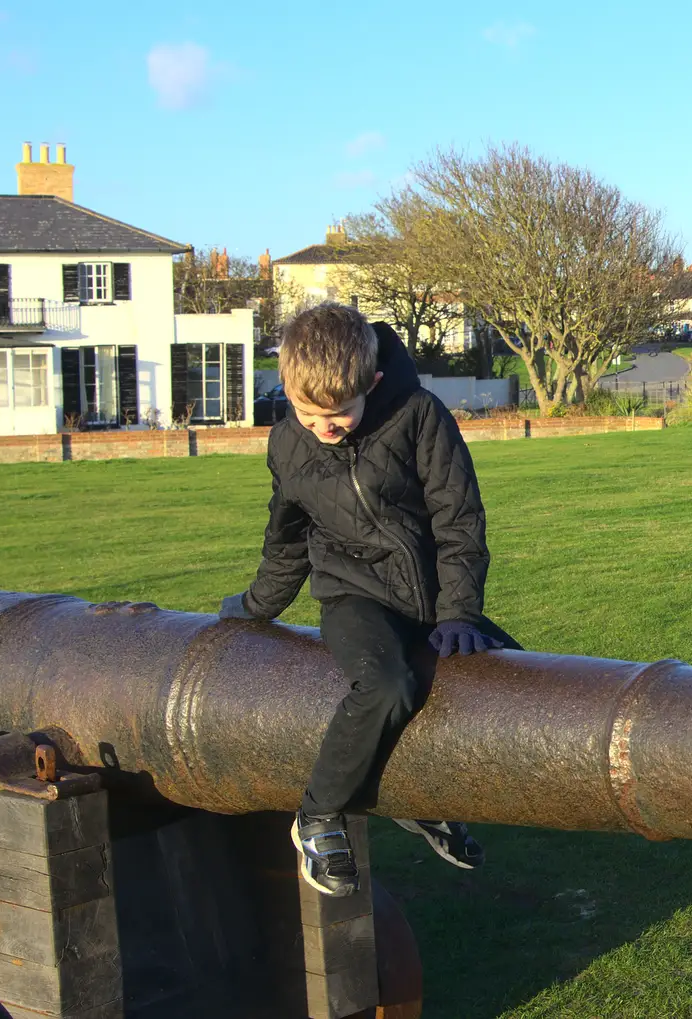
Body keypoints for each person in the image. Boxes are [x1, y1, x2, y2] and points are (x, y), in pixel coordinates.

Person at [219, 303, 520, 898]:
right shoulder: (287, 444)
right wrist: (255, 606)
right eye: (309, 414)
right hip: (352, 595)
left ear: (372, 384)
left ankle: (423, 801)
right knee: (386, 685)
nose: (324, 429)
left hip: (431, 598)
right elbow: (288, 539)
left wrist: (458, 613)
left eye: (339, 414)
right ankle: (319, 815)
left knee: (511, 683)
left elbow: (458, 520)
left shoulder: (418, 415)